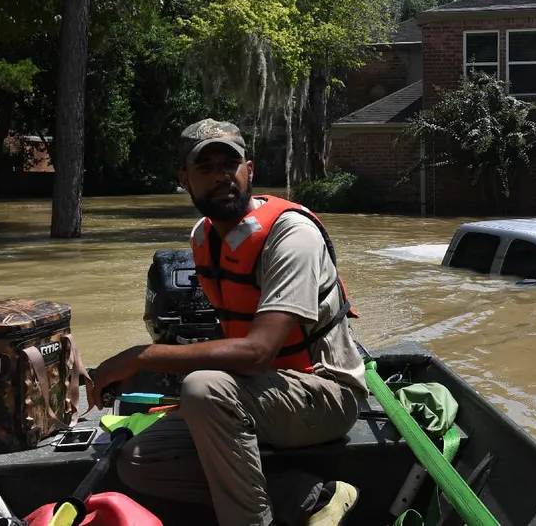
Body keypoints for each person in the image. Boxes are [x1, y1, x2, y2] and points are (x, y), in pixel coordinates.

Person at [91, 118, 368, 526]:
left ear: (249, 171)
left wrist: (140, 357)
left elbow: (256, 353)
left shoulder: (291, 235)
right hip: (260, 393)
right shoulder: (204, 236)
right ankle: (306, 496)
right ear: (184, 179)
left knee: (202, 389)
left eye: (230, 164)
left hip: (324, 394)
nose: (222, 177)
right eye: (205, 168)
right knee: (138, 461)